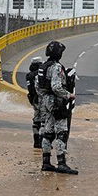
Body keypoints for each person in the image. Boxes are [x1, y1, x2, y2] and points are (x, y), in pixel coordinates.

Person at [36, 40, 77, 175]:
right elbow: (56, 86)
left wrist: (45, 99)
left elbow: (38, 87)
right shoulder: (56, 67)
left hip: (45, 102)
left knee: (47, 132)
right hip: (56, 102)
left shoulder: (43, 67)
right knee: (61, 132)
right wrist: (68, 95)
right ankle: (61, 163)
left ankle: (46, 162)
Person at [25, 58, 44, 149]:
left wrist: (33, 100)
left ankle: (36, 142)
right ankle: (43, 142)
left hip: (35, 101)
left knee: (36, 121)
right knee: (44, 122)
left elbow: (30, 90)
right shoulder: (41, 73)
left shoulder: (29, 75)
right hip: (43, 100)